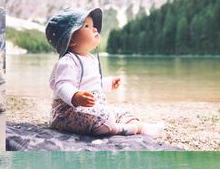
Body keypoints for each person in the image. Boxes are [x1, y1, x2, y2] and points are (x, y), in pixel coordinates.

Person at [46, 7, 164, 138]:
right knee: (106, 117)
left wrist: (107, 83)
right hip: (67, 112)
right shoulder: (68, 61)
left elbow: (92, 84)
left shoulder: (90, 59)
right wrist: (75, 96)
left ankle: (143, 127)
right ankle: (128, 129)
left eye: (93, 25)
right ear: (71, 39)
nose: (95, 29)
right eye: (87, 26)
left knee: (121, 113)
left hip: (90, 108)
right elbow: (62, 85)